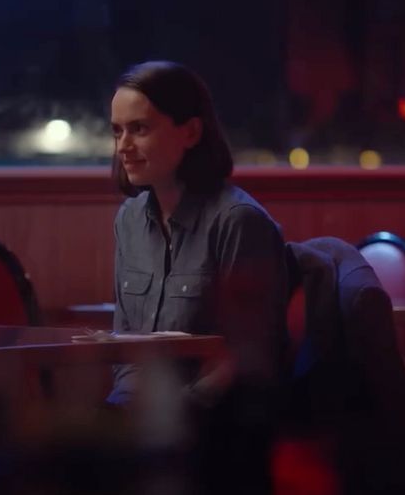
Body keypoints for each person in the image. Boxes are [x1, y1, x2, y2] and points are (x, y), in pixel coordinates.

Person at [107, 60, 292, 408]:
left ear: (191, 132)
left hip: (217, 425)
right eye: (117, 131)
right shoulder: (128, 220)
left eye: (139, 129)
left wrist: (169, 417)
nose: (122, 147)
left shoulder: (239, 221)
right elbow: (125, 348)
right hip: (142, 422)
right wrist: (120, 412)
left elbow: (246, 359)